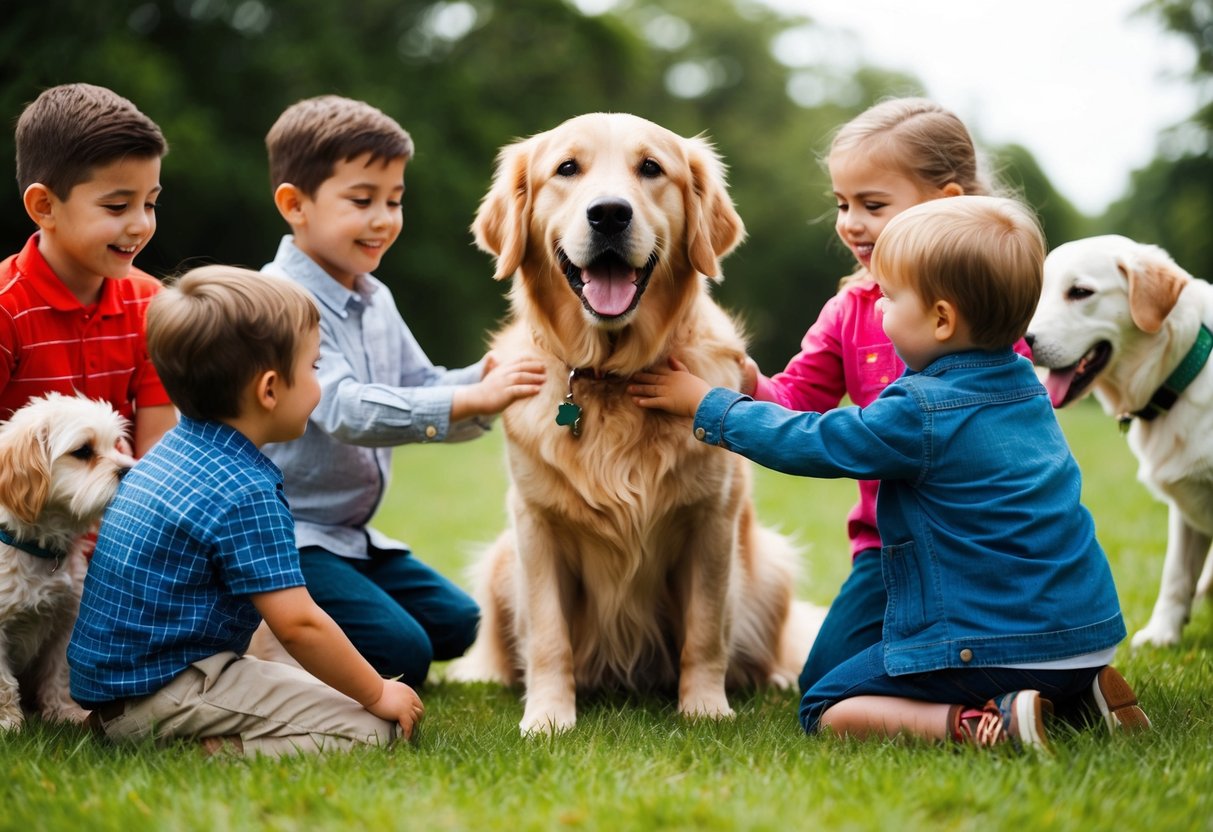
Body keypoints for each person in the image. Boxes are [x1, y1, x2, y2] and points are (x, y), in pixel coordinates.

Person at [631, 196, 1150, 750]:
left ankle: (977, 725)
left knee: (826, 702)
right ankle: (1083, 696)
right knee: (1007, 656)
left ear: (943, 319)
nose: (877, 310)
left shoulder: (921, 411)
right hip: (1087, 637)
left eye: (891, 298)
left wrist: (708, 404)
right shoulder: (1026, 385)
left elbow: (812, 442)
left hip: (993, 645)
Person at [68, 266, 423, 757]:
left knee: (317, 689)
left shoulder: (170, 453)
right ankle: (205, 749)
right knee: (374, 730)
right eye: (315, 368)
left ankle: (140, 728)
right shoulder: (244, 489)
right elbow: (298, 624)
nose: (318, 384)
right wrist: (378, 692)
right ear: (270, 390)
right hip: (168, 692)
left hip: (117, 689)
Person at [739, 98, 1029, 695]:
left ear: (946, 204)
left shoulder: (989, 315)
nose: (850, 223)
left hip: (982, 548)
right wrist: (742, 381)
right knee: (823, 679)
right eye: (842, 204)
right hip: (887, 554)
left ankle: (1004, 694)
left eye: (873, 205)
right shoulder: (849, 310)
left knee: (881, 683)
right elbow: (795, 399)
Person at [260, 95, 545, 687]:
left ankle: (336, 613)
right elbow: (341, 408)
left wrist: (486, 377)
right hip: (285, 538)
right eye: (362, 200)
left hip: (349, 536)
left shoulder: (373, 296)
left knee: (462, 623)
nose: (384, 219)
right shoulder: (280, 302)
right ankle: (261, 629)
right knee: (402, 655)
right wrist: (472, 400)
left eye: (394, 201)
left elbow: (419, 386)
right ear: (295, 204)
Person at [1, 83, 176, 456]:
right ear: (44, 206)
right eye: (117, 206)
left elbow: (156, 452)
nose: (140, 225)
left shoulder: (152, 305)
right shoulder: (6, 309)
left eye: (150, 204)